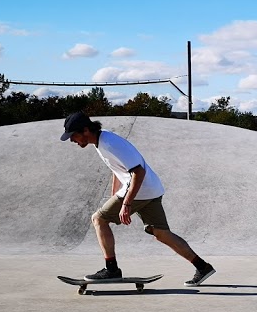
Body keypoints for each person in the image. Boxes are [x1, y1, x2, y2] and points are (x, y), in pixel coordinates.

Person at [60, 112, 216, 286]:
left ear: (86, 130)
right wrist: (115, 195)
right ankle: (203, 267)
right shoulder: (102, 141)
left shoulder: (109, 144)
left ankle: (111, 269)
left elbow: (138, 172)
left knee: (99, 219)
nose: (72, 140)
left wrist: (125, 203)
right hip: (151, 188)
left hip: (139, 188)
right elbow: (118, 169)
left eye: (73, 136)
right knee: (161, 233)